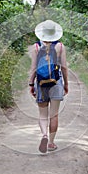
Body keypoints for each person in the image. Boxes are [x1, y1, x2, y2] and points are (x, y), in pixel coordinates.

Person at [28, 20, 68, 153]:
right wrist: (66, 84)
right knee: (54, 115)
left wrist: (30, 84)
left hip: (40, 84)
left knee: (42, 114)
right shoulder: (61, 47)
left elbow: (33, 68)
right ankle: (51, 142)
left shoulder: (36, 47)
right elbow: (64, 68)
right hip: (56, 83)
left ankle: (44, 135)